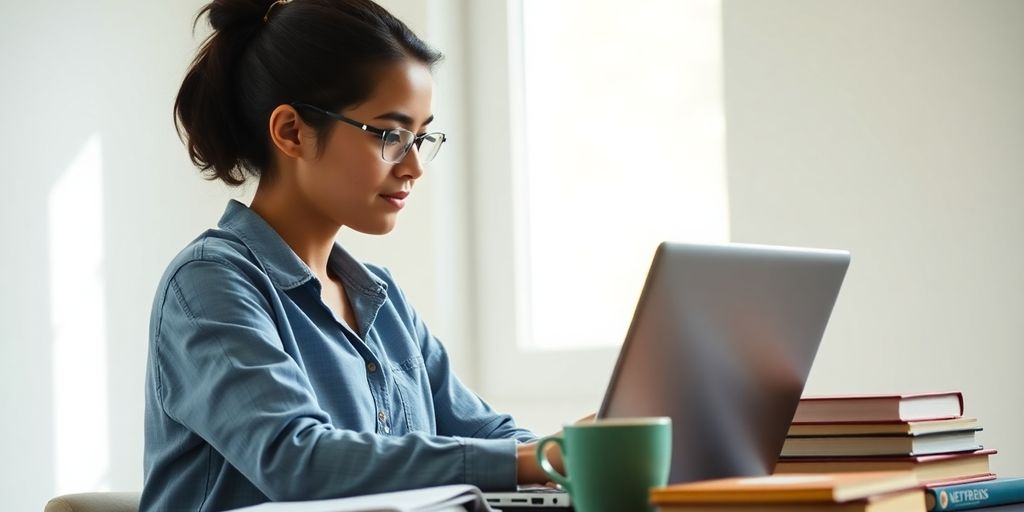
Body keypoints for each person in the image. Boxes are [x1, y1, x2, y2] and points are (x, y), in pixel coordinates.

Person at [142, 1, 562, 510]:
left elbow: (486, 431)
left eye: (421, 137)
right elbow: (297, 460)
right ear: (291, 131)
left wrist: (572, 451)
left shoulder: (381, 300)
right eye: (390, 135)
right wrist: (532, 459)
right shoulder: (209, 282)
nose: (413, 167)